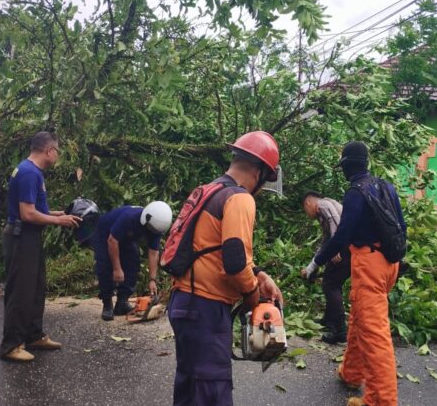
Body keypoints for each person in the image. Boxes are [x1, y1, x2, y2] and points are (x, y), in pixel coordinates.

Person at [168, 131, 284, 406]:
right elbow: (233, 263)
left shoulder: (210, 191)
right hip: (205, 307)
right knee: (211, 390)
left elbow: (214, 249)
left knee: (189, 385)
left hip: (184, 303)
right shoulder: (240, 198)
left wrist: (259, 274)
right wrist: (252, 293)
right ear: (257, 171)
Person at [302, 141, 406, 406]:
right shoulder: (385, 186)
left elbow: (341, 237)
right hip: (390, 263)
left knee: (375, 335)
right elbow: (401, 225)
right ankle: (351, 373)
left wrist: (316, 262)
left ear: (347, 166)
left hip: (369, 265)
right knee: (360, 320)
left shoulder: (355, 192)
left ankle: (382, 400)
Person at [0, 131, 82, 362]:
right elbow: (27, 214)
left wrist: (58, 214)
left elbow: (35, 209)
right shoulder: (28, 173)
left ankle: (33, 335)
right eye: (57, 151)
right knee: (20, 292)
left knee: (36, 288)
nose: (58, 156)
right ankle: (11, 346)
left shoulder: (33, 172)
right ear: (49, 151)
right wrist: (58, 221)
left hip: (30, 237)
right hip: (21, 237)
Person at [92, 201, 172, 321]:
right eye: (151, 229)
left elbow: (153, 252)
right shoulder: (129, 218)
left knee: (133, 264)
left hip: (125, 239)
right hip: (106, 235)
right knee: (105, 266)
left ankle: (121, 303)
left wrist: (152, 280)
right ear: (146, 218)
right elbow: (112, 241)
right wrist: (117, 269)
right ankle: (107, 304)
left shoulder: (156, 226)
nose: (152, 232)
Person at [301, 191, 350, 344]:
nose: (307, 214)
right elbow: (324, 243)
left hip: (345, 248)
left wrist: (336, 249)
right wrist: (311, 267)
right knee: (331, 282)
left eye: (305, 209)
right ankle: (329, 320)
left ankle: (340, 330)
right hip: (344, 246)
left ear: (309, 203)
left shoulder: (323, 205)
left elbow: (338, 224)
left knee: (330, 285)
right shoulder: (323, 213)